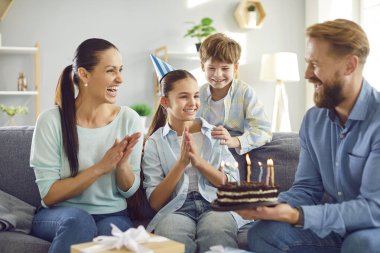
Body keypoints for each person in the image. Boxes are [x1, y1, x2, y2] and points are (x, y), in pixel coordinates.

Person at [237, 19, 380, 253]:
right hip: (336, 227)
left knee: (359, 244)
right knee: (263, 232)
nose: (306, 74)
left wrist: (297, 215)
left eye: (314, 64)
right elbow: (307, 189)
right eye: (307, 63)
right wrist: (272, 205)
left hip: (373, 229)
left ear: (349, 66)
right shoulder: (314, 121)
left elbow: (374, 209)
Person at [30, 38, 143, 253]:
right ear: (84, 75)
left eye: (120, 70)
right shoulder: (51, 121)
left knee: (114, 233)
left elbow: (129, 191)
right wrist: (101, 167)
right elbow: (49, 195)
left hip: (113, 214)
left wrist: (122, 166)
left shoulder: (129, 119)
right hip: (59, 214)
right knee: (79, 221)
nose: (120, 79)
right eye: (111, 71)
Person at [142, 55, 248, 253]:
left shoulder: (214, 133)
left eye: (196, 95)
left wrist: (199, 164)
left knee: (216, 232)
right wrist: (181, 164)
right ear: (165, 101)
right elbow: (156, 202)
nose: (192, 102)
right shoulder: (155, 143)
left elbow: (232, 187)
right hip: (175, 210)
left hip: (216, 204)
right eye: (183, 96)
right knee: (172, 237)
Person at [197, 33, 272, 175]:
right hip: (203, 159)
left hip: (234, 158)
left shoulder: (245, 92)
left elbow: (263, 130)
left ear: (235, 67)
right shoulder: (197, 94)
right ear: (202, 66)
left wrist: (234, 141)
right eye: (211, 68)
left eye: (225, 68)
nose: (218, 74)